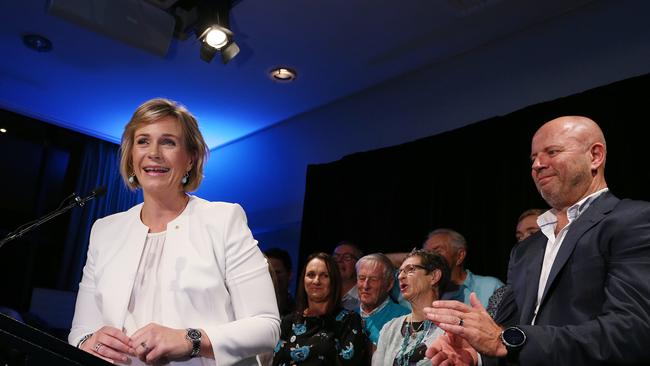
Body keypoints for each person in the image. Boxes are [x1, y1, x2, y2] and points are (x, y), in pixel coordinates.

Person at [68, 98, 280, 366]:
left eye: (168, 142)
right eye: (143, 141)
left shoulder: (223, 220)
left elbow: (266, 327)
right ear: (131, 157)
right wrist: (88, 342)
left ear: (190, 158)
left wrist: (191, 339)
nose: (153, 152)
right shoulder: (104, 231)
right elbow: (80, 331)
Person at [425, 116, 650, 365]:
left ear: (595, 156)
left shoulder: (635, 220)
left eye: (551, 152)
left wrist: (503, 340)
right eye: (533, 158)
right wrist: (476, 354)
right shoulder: (524, 250)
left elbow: (633, 331)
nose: (537, 165)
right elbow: (507, 332)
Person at [272, 252, 369, 365]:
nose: (316, 281)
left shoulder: (348, 321)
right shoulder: (288, 322)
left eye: (324, 276)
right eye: (311, 275)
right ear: (303, 280)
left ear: (334, 281)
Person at [372, 250, 452, 366]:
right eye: (399, 272)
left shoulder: (451, 327)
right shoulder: (390, 328)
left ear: (434, 276)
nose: (400, 276)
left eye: (410, 269)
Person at [486, 209, 544, 318]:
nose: (524, 240)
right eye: (519, 237)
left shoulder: (559, 282)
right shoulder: (502, 293)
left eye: (532, 233)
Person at [423, 229, 503, 307]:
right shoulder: (420, 293)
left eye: (438, 251)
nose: (430, 257)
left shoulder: (491, 287)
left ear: (460, 256)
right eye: (426, 253)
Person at [356, 253, 410, 348]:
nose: (365, 286)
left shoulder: (404, 318)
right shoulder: (347, 315)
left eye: (373, 279)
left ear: (389, 284)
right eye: (362, 278)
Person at [265, 248, 296, 317]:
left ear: (289, 274)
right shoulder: (253, 309)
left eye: (277, 272)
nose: (272, 277)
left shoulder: (298, 312)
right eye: (268, 272)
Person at [333, 242, 363, 312]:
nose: (339, 260)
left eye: (347, 257)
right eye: (335, 257)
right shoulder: (324, 294)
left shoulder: (364, 298)